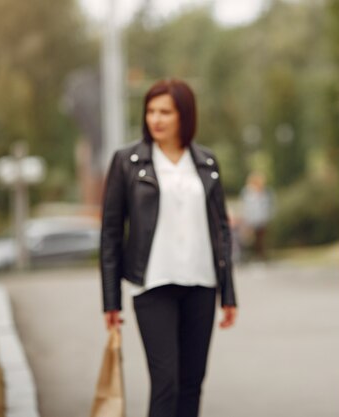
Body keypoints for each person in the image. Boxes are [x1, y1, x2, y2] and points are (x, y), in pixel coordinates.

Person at [99, 78, 237, 417]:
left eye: (165, 112)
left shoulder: (205, 162)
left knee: (192, 382)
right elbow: (111, 233)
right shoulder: (127, 161)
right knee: (166, 382)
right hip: (153, 285)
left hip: (201, 285)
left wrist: (228, 293)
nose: (155, 119)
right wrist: (111, 299)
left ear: (184, 116)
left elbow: (221, 228)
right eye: (150, 111)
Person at [240, 172, 274, 260]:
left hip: (262, 219)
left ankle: (261, 255)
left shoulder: (266, 191)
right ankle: (254, 255)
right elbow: (246, 207)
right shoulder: (247, 192)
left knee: (261, 239)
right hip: (252, 219)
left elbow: (269, 206)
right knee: (252, 239)